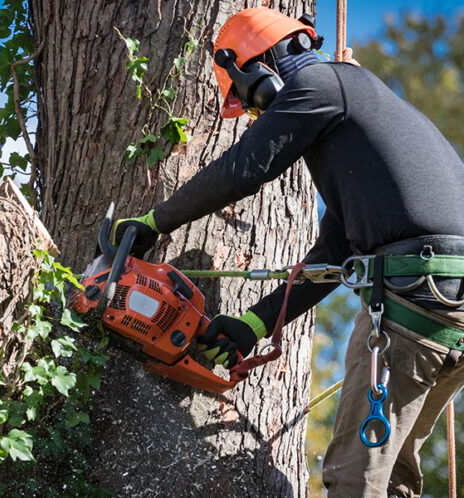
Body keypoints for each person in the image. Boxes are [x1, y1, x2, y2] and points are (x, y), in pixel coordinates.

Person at [113, 7, 464, 497]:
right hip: (448, 315)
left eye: (250, 104)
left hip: (414, 299)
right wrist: (251, 326)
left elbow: (245, 166)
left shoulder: (322, 86)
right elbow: (332, 258)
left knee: (353, 480)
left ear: (255, 72)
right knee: (392, 481)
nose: (258, 116)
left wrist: (153, 223)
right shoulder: (364, 134)